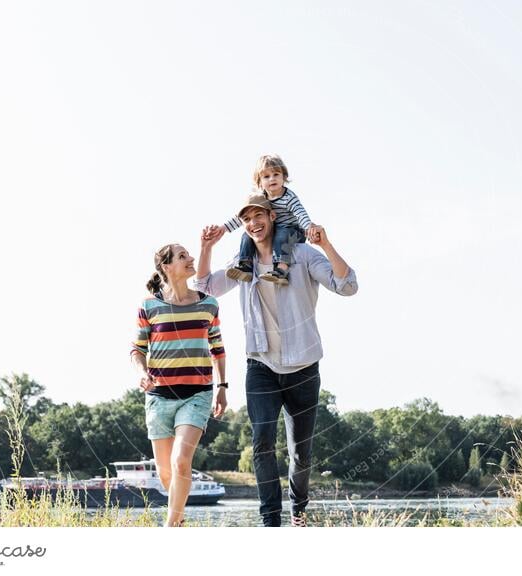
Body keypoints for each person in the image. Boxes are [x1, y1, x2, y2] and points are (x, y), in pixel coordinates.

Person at [196, 195, 358, 527]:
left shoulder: (301, 255)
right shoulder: (244, 264)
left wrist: (326, 244)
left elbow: (348, 285)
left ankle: (298, 509)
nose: (253, 224)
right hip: (261, 366)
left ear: (272, 216)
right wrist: (206, 248)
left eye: (259, 216)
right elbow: (204, 288)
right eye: (246, 220)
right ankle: (270, 521)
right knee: (262, 442)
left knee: (301, 452)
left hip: (303, 368)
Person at [130, 243, 228, 526]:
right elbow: (137, 349)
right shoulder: (149, 306)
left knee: (181, 461)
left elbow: (218, 349)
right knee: (165, 474)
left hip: (196, 395)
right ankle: (180, 522)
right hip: (159, 397)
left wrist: (223, 386)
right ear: (166, 267)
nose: (191, 259)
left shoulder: (209, 304)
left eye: (189, 254)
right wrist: (141, 372)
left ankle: (170, 528)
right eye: (182, 256)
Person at [206, 154, 322, 285]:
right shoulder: (262, 197)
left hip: (293, 230)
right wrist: (224, 228)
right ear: (260, 182)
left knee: (281, 235)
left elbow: (301, 214)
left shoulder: (289, 197)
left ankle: (281, 270)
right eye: (266, 176)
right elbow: (243, 217)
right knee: (246, 235)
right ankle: (246, 266)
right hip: (275, 229)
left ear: (284, 177)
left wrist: (309, 227)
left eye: (276, 174)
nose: (272, 179)